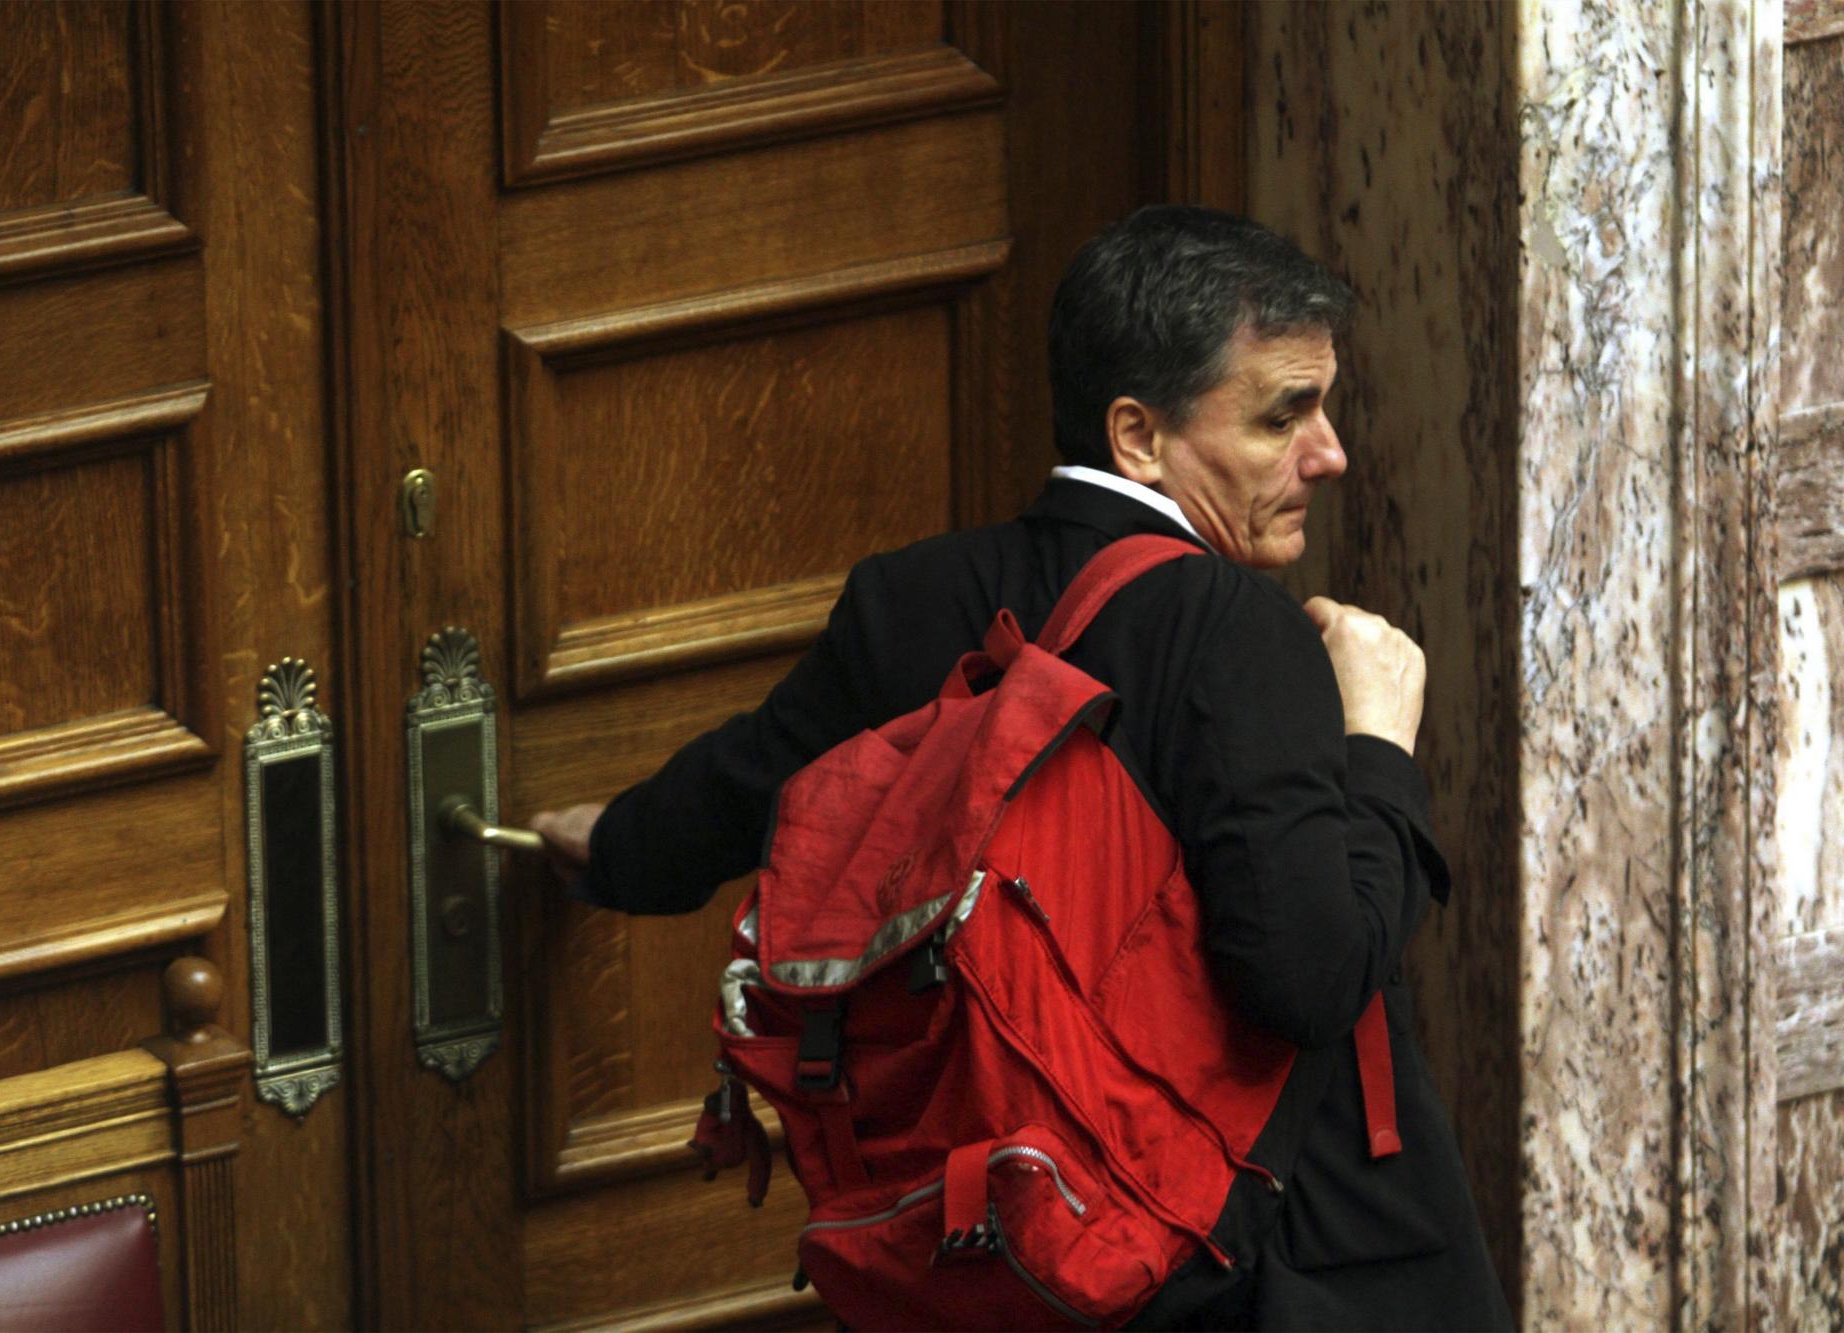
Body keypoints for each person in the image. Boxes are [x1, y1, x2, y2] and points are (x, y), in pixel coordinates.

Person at [530, 206, 1512, 1331]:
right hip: (1245, 1256)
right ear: (1136, 435)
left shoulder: (908, 599)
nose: (1327, 453)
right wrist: (1378, 747)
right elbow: (1308, 978)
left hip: (989, 1233)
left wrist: (606, 846)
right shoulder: (1237, 632)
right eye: (1282, 416)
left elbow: (747, 792)